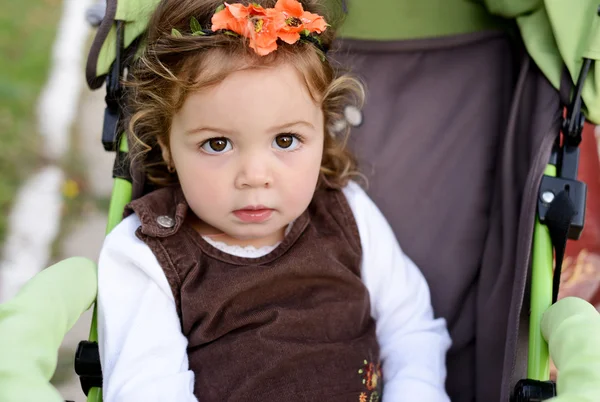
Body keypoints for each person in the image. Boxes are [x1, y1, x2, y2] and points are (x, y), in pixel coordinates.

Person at [97, 1, 451, 401]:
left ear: (322, 133)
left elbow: (411, 330)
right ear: (166, 146)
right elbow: (149, 389)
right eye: (217, 144)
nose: (255, 176)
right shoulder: (146, 255)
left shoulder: (346, 212)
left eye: (285, 140)